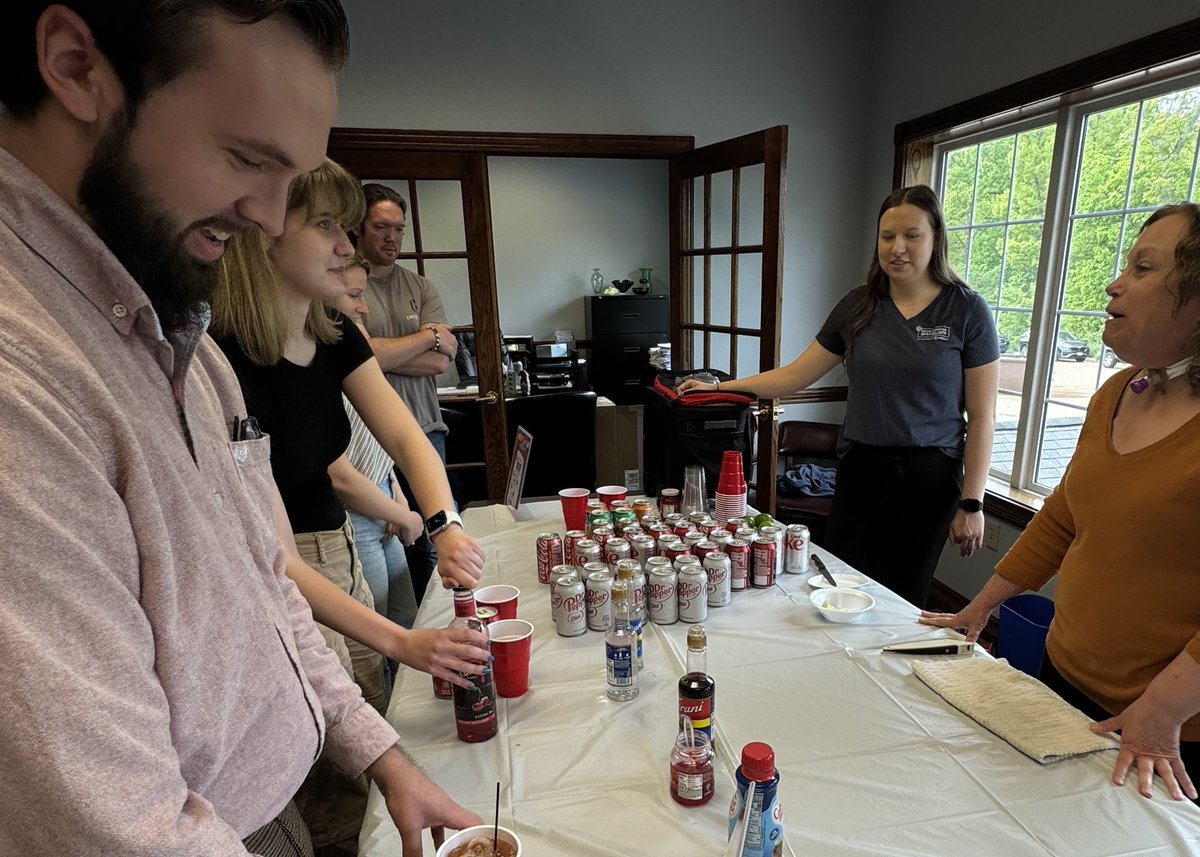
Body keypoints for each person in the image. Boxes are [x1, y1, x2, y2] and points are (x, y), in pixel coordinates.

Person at [0, 4, 479, 856]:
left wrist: (382, 755)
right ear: (74, 66)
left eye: (288, 184)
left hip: (274, 808)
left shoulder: (182, 345)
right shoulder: (28, 372)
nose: (265, 218)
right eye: (246, 158)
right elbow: (119, 819)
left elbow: (268, 588)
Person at [211, 158, 489, 850]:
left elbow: (402, 431)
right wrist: (401, 639)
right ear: (266, 233)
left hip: (337, 553)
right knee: (334, 765)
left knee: (373, 718)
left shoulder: (331, 328)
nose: (349, 245)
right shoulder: (225, 361)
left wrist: (444, 524)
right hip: (282, 580)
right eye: (330, 226)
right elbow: (271, 557)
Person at [921, 202, 1200, 804]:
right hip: (1064, 675)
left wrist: (1164, 711)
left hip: (1169, 727)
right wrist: (980, 608)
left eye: (1144, 268)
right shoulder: (1118, 392)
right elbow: (1063, 518)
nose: (1115, 282)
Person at [678, 185, 999, 608]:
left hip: (930, 476)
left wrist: (972, 503)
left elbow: (982, 416)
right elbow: (795, 375)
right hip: (862, 468)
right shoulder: (859, 306)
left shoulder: (966, 310)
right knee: (841, 586)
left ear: (936, 238)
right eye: (887, 236)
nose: (897, 248)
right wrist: (721, 387)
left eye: (911, 235)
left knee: (905, 595)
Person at [355, 183, 458, 603]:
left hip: (426, 427)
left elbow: (442, 359)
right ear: (357, 229)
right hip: (367, 440)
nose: (392, 238)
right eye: (381, 227)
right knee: (389, 542)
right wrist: (424, 337)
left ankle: (440, 622)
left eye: (399, 228)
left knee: (436, 542)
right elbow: (360, 357)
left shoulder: (420, 286)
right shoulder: (349, 286)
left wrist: (379, 353)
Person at [332, 256, 421, 631]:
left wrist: (396, 493)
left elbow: (377, 443)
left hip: (384, 503)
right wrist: (404, 514)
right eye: (353, 295)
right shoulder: (321, 371)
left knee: (406, 619)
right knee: (379, 630)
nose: (363, 306)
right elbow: (341, 478)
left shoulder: (357, 359)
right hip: (357, 516)